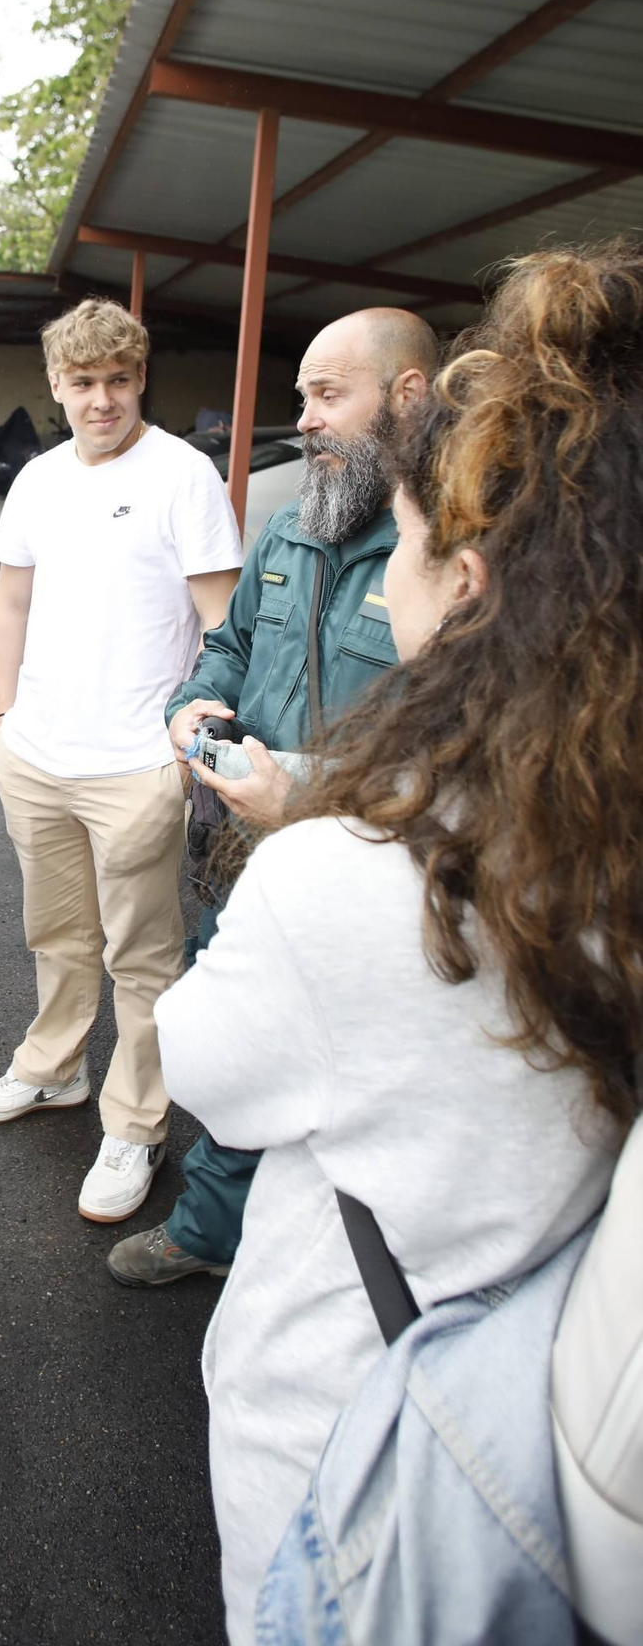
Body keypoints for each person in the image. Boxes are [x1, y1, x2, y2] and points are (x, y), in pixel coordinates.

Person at [154, 246, 637, 1643]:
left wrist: (294, 829)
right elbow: (229, 644)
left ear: (469, 584)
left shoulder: (351, 884)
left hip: (353, 1462)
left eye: (414, 552)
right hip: (530, 1419)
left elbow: (204, 1066)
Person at [108, 306, 438, 1287]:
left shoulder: (441, 560)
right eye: (300, 396)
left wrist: (307, 796)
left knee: (351, 1071)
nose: (304, 418)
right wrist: (191, 700)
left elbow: (452, 747)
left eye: (327, 394)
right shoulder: (291, 526)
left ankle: (331, 1272)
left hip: (360, 877)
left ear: (408, 397)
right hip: (232, 848)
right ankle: (211, 1227)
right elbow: (228, 645)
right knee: (242, 1044)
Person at [0, 298, 243, 1222]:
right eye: (83, 383)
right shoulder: (37, 480)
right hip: (36, 752)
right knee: (58, 934)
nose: (102, 399)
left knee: (143, 958)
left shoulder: (182, 475)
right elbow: (10, 605)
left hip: (135, 763)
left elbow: (220, 625)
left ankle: (135, 1124)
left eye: (119, 380)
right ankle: (52, 1071)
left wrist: (186, 743)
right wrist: (6, 718)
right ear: (55, 384)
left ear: (140, 378)